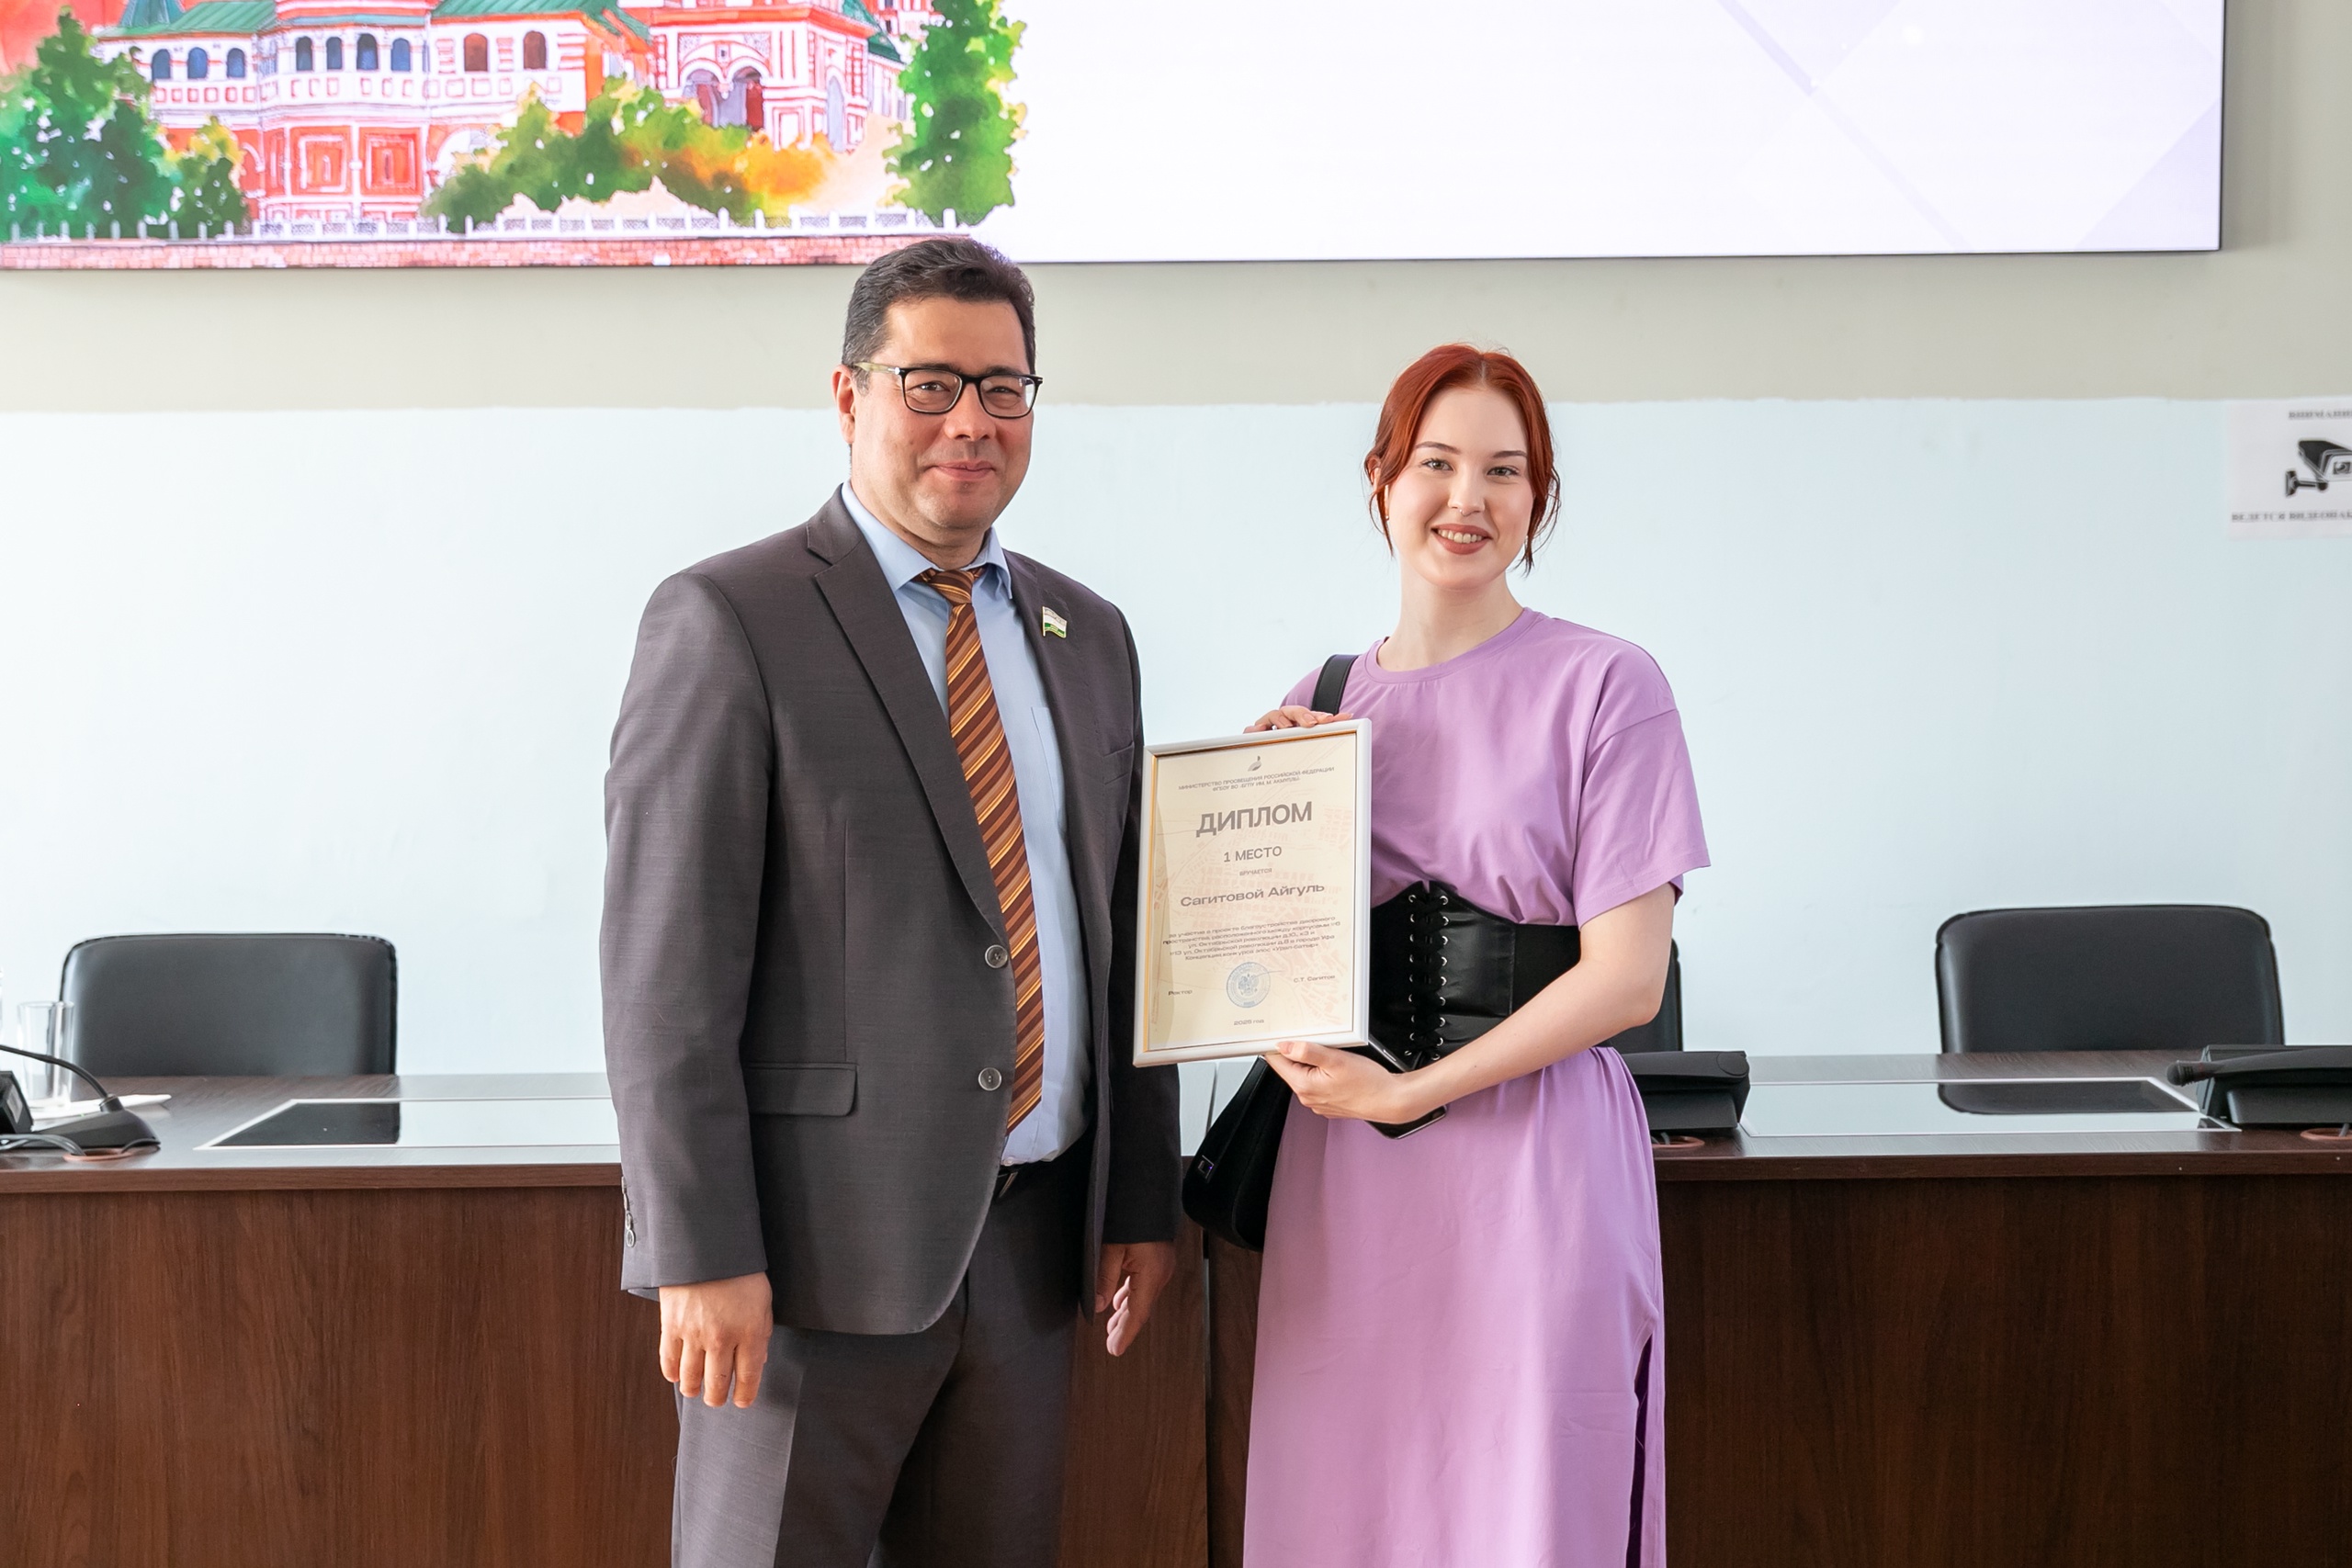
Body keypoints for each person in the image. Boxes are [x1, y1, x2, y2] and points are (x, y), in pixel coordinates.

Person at [601, 237, 1182, 1568]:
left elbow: (1124, 936)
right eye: (930, 385)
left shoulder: (1087, 636)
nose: (971, 421)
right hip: (807, 1271)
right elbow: (664, 979)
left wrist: (1140, 1201)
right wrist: (698, 1249)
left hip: (1034, 1256)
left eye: (1004, 389)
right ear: (848, 395)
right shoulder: (731, 618)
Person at [1242, 344, 1709, 1566]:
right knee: (1344, 1503)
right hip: (1345, 1169)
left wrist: (1413, 1091)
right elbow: (1263, 965)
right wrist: (1251, 815)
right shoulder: (1320, 697)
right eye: (1436, 464)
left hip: (1536, 1163)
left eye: (1505, 471)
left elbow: (1628, 979)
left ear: (1538, 498)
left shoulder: (1609, 685)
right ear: (1381, 480)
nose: (1468, 499)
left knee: (1529, 1502)